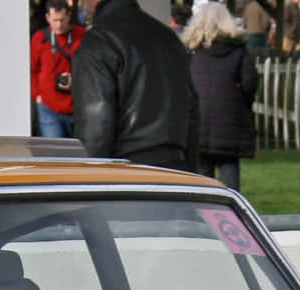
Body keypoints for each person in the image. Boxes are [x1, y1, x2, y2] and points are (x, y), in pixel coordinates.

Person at [72, 0, 197, 172]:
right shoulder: (169, 39)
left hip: (127, 176)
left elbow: (95, 132)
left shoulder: (99, 42)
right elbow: (192, 113)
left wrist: (88, 184)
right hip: (175, 172)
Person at [183, 1, 256, 190]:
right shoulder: (240, 51)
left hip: (198, 120)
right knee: (230, 173)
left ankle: (203, 217)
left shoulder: (191, 52)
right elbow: (250, 84)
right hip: (230, 121)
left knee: (201, 178)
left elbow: (183, 86)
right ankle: (230, 216)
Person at [30, 0, 83, 139]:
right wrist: (37, 95)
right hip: (48, 106)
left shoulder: (82, 36)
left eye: (62, 20)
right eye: (55, 20)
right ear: (47, 18)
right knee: (54, 151)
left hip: (76, 105)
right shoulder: (39, 38)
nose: (58, 25)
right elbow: (32, 69)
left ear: (69, 17)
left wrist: (76, 79)